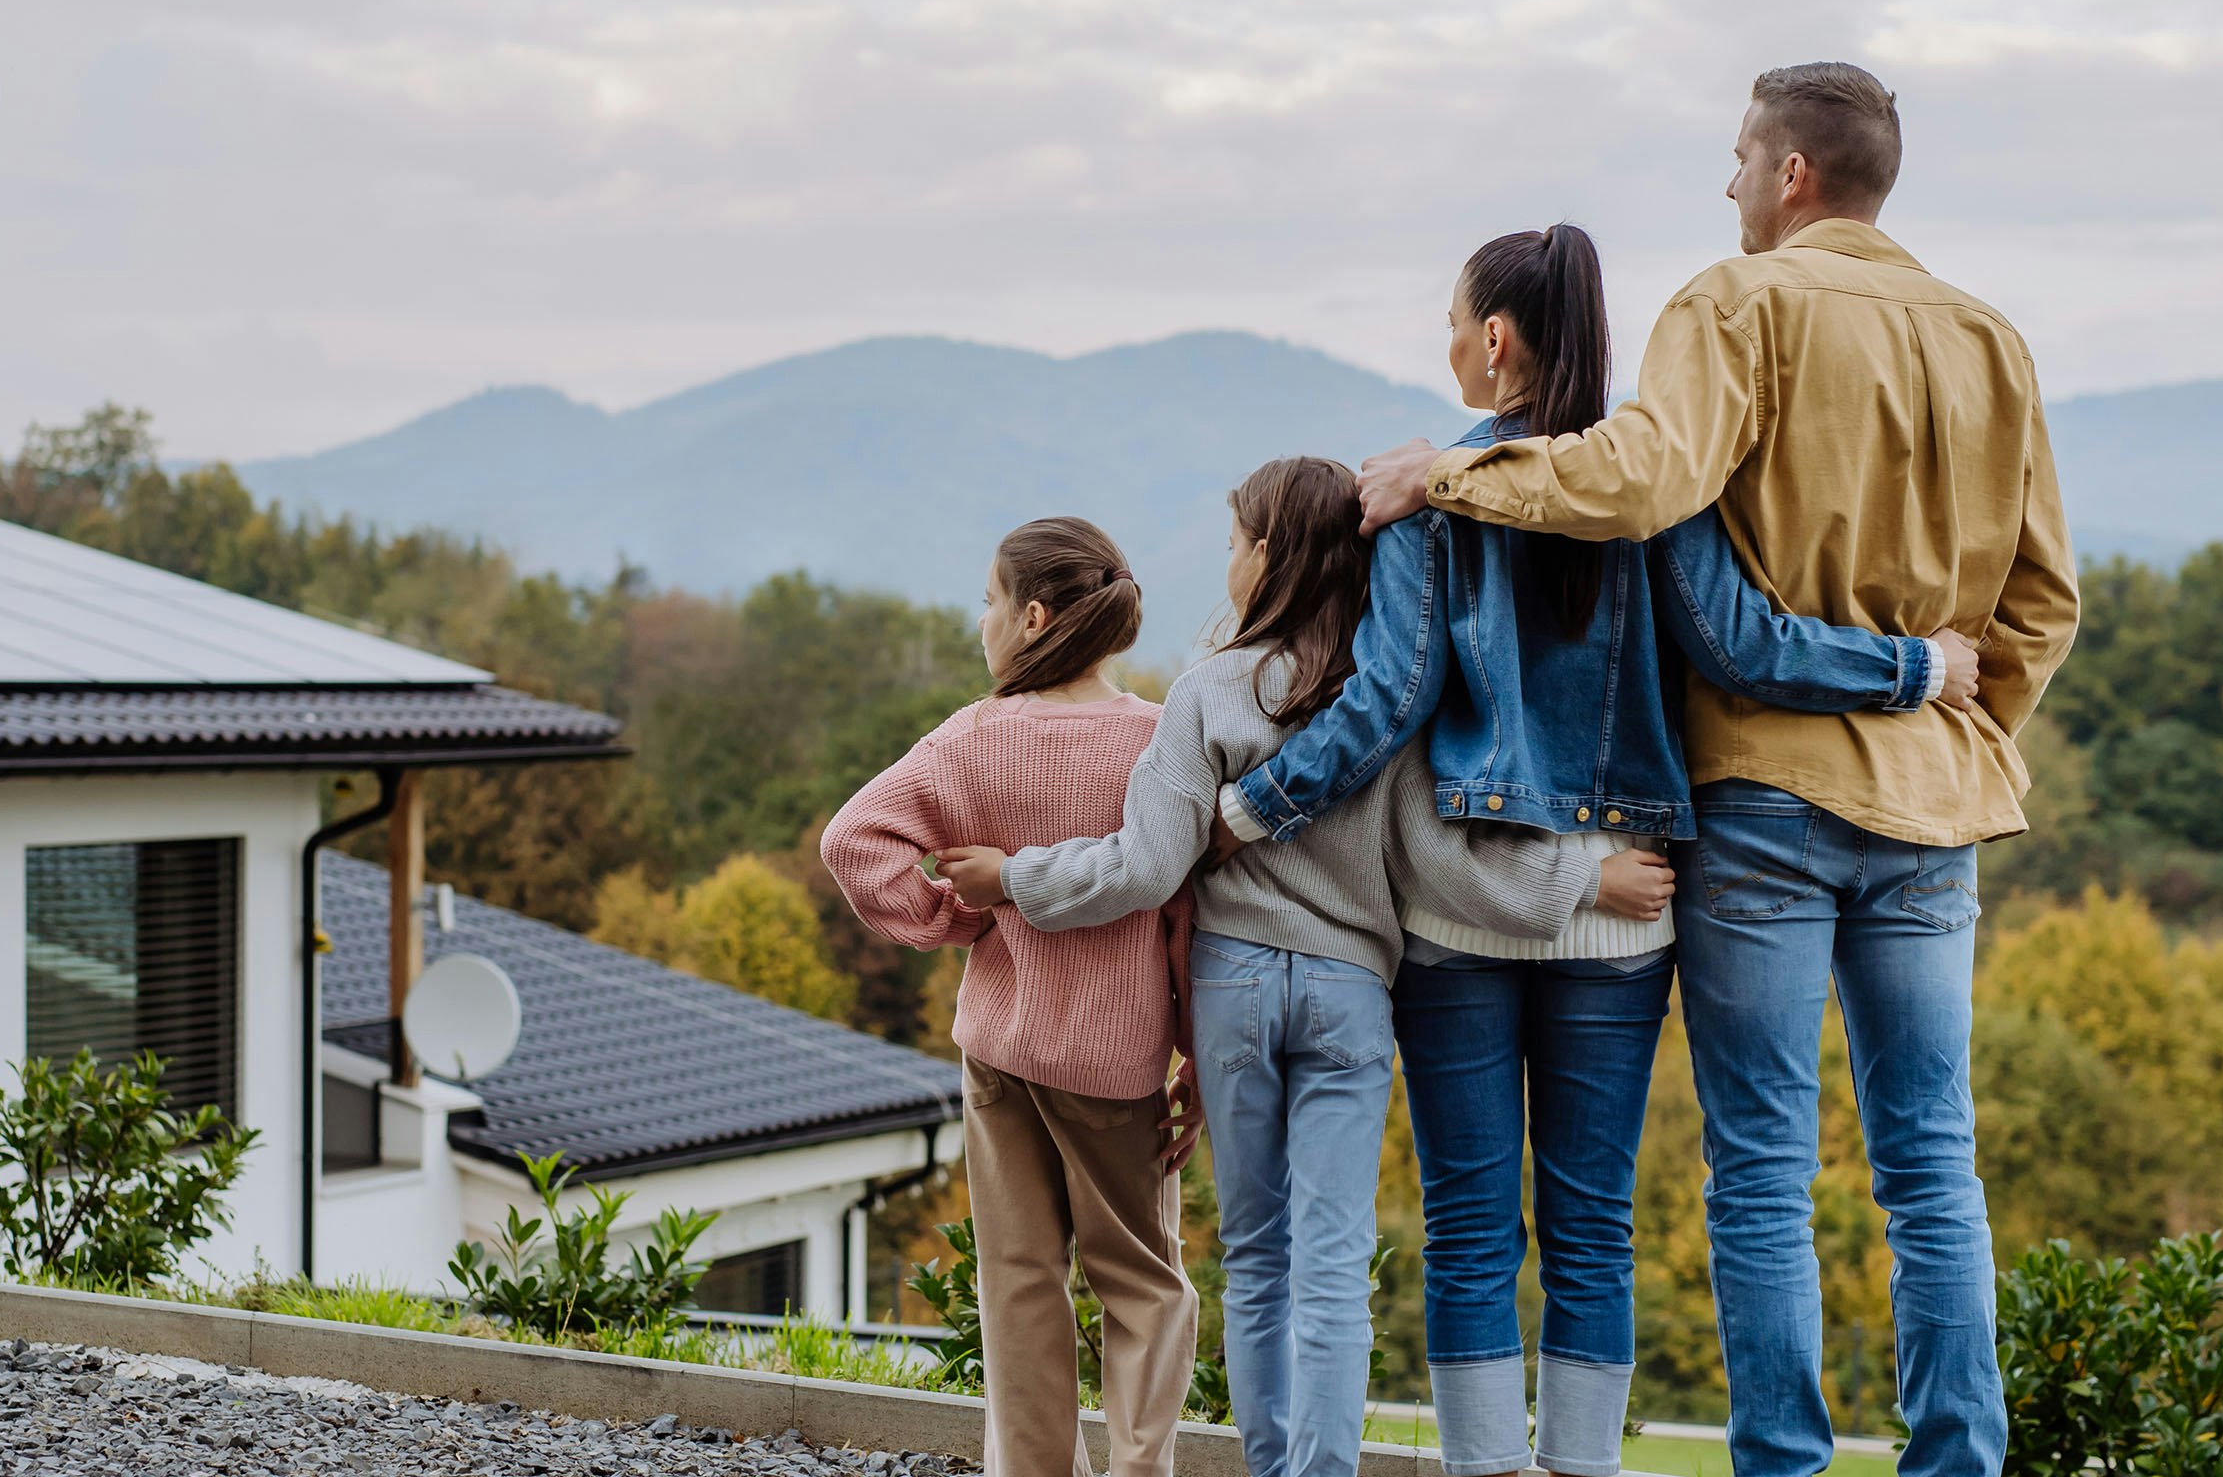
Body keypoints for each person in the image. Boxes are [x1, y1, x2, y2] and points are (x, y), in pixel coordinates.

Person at [1355, 64, 2081, 1477]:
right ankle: (1956, 1465)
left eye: (1740, 158)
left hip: (1765, 799)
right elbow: (2042, 601)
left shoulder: (1733, 304)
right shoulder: (1993, 339)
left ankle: (1784, 1469)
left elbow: (1636, 481)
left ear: (1792, 174)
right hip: (1935, 808)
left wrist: (1447, 476)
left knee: (1761, 1170)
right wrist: (1971, 734)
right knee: (1935, 1166)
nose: (1730, 184)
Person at [1212, 224, 1975, 1477]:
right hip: (1629, 912)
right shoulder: (1654, 486)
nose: (1448, 343)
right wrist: (1917, 667)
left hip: (1459, 915)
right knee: (1592, 1229)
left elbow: (1388, 697)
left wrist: (1254, 808)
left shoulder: (1425, 490)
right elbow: (1750, 647)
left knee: (1468, 1228)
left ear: (1497, 338)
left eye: (1455, 321)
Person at [934, 456, 1680, 1477]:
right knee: (1333, 1267)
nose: (1228, 561)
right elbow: (1442, 864)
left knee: (1257, 1259)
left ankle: (1270, 1463)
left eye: (1237, 542)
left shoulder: (1206, 694)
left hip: (1236, 990)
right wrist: (1583, 884)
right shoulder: (1378, 709)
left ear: (1271, 557)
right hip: (1347, 995)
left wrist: (1015, 877)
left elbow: (1147, 866)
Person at [820, 517, 1197, 1477]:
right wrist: (1191, 1047)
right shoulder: (1160, 741)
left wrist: (959, 919)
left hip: (1001, 1053)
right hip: (1121, 1062)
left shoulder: (976, 737)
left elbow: (854, 842)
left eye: (989, 600)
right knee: (1144, 1286)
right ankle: (1141, 1468)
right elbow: (1189, 912)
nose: (979, 620)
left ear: (1032, 617)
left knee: (1020, 1282)